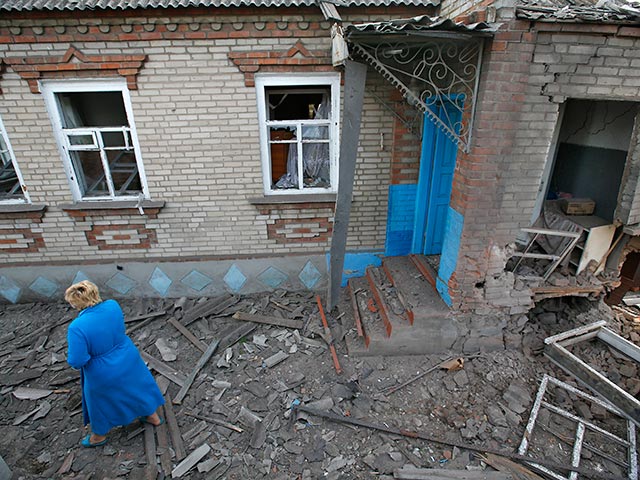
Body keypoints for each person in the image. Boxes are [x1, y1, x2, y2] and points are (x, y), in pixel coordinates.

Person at [65, 280, 165, 447]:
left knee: (99, 403)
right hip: (127, 356)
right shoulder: (113, 305)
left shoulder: (77, 327)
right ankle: (152, 416)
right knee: (137, 387)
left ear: (76, 303)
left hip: (102, 369)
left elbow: (77, 360)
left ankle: (99, 436)